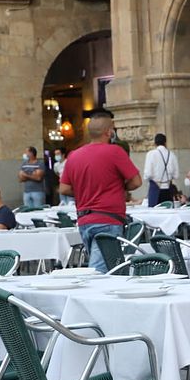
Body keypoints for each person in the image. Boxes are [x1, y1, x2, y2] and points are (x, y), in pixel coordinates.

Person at [59, 113, 142, 273]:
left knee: (103, 267)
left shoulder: (74, 155)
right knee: (99, 272)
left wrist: (85, 190)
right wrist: (119, 187)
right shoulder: (115, 152)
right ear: (109, 132)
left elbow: (64, 188)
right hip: (108, 219)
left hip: (84, 219)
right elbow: (136, 181)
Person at [144, 133, 179, 207]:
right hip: (168, 189)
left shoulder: (151, 154)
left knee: (154, 212)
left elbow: (148, 174)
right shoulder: (172, 155)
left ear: (155, 143)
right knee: (168, 211)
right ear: (165, 143)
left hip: (155, 189)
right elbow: (176, 175)